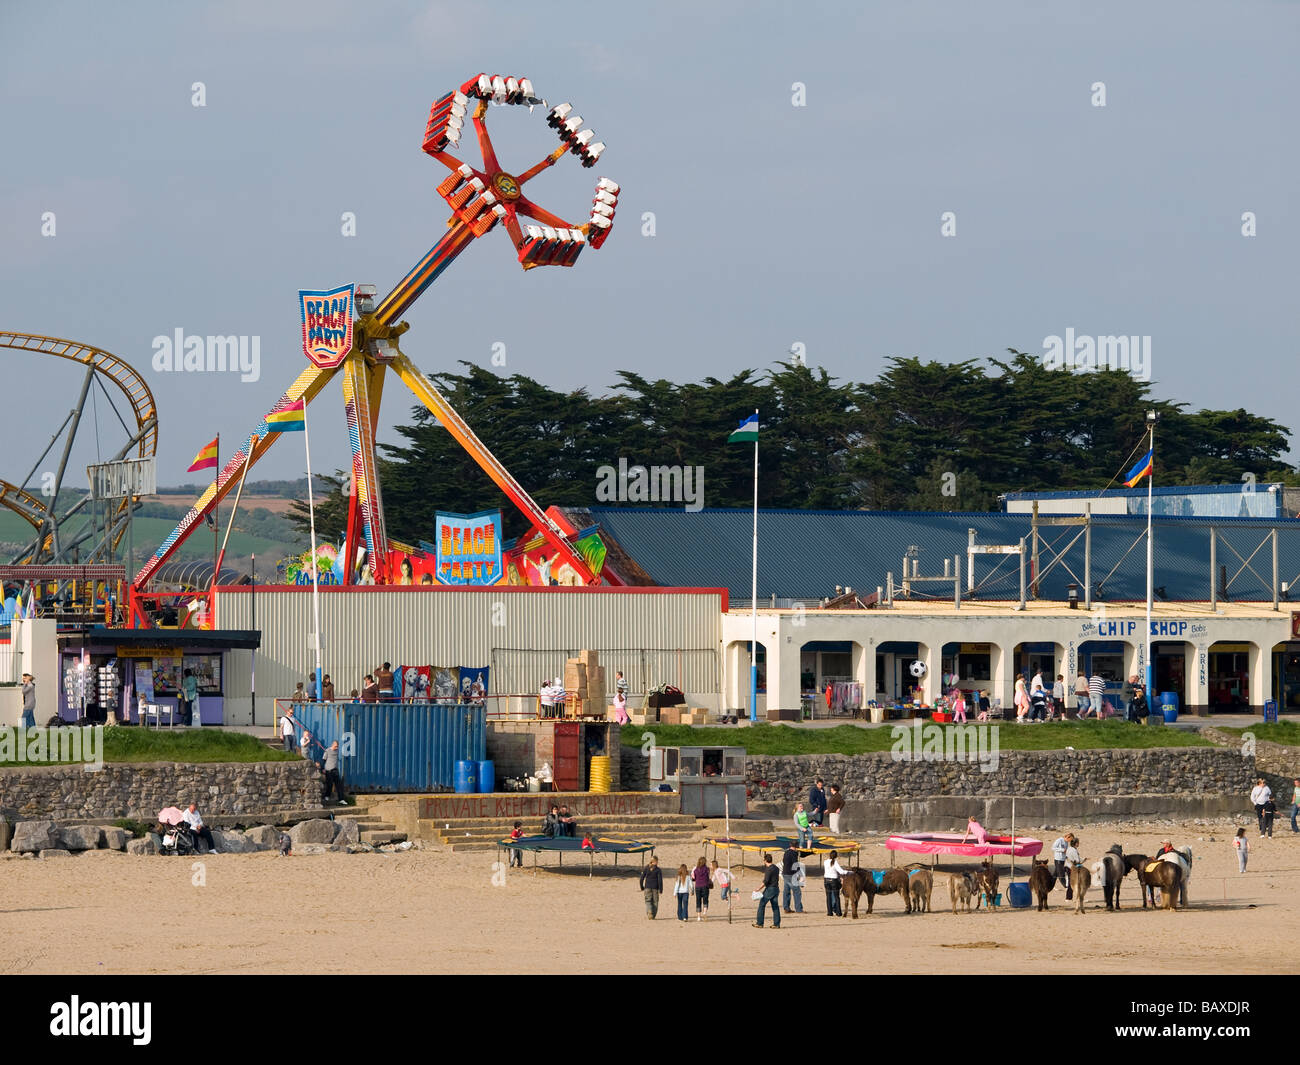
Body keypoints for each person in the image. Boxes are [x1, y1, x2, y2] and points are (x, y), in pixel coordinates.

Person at [753, 852, 781, 929]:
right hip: (776, 888)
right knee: (775, 907)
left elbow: (766, 881)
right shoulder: (776, 867)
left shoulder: (769, 869)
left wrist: (758, 889)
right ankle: (776, 924)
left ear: (765, 861)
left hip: (770, 889)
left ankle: (759, 923)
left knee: (762, 904)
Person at [822, 849, 848, 917]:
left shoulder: (825, 862)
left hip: (826, 880)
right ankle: (838, 912)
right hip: (834, 880)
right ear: (836, 856)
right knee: (836, 897)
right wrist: (849, 872)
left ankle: (829, 912)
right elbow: (841, 871)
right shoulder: (835, 862)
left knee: (828, 897)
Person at [781, 839, 804, 914]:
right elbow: (795, 865)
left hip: (785, 873)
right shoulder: (794, 853)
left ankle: (786, 908)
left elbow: (784, 861)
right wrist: (800, 875)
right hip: (791, 874)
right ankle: (799, 909)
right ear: (796, 846)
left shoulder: (786, 852)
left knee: (786, 891)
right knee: (797, 892)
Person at [639, 855, 663, 920]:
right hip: (655, 888)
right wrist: (661, 889)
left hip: (647, 887)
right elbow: (660, 881)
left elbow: (641, 878)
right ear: (656, 862)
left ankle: (649, 911)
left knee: (648, 901)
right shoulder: (658, 870)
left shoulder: (646, 868)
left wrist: (641, 887)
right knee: (655, 902)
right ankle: (653, 915)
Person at [321, 740, 344, 805]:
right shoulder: (327, 751)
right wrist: (322, 768)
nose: (337, 748)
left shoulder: (336, 751)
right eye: (335, 746)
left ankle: (341, 799)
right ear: (332, 745)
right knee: (330, 784)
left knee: (339, 785)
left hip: (335, 770)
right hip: (329, 770)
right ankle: (327, 796)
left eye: (337, 746)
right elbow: (323, 760)